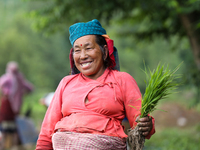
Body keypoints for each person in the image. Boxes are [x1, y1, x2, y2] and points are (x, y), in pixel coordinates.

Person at [36, 19, 155, 150]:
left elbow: (140, 123)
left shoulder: (122, 80)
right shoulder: (66, 83)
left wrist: (146, 125)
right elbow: (46, 133)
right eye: (77, 50)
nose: (83, 56)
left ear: (104, 51)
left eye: (89, 48)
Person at [0, 61, 34, 149]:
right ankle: (13, 147)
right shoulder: (20, 78)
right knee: (14, 128)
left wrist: (5, 92)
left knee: (6, 128)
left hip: (7, 105)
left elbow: (1, 84)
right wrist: (22, 93)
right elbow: (30, 88)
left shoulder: (7, 78)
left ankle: (4, 147)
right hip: (16, 107)